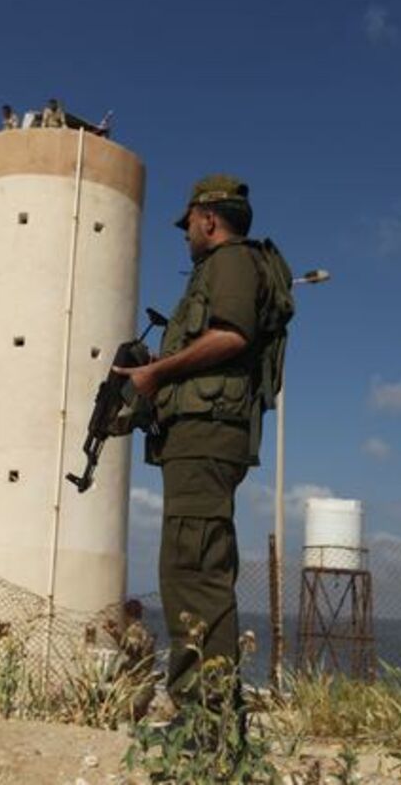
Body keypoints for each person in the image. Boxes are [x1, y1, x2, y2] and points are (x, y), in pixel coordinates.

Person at [113, 175, 291, 709]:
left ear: (208, 219)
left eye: (188, 223)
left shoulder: (231, 261)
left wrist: (157, 373)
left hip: (207, 433)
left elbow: (232, 333)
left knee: (194, 573)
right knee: (188, 569)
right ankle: (208, 714)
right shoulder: (220, 267)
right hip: (199, 434)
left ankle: (206, 719)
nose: (185, 233)